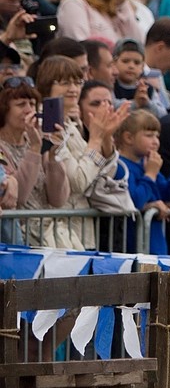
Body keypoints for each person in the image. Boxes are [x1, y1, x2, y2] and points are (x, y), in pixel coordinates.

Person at [36, 62, 129, 250]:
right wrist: (95, 139)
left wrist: (106, 138)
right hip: (56, 235)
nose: (73, 89)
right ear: (47, 85)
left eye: (77, 82)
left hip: (80, 231)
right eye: (64, 82)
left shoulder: (69, 124)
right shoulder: (44, 124)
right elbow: (78, 182)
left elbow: (105, 176)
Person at [115, 109, 170, 254]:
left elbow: (168, 193)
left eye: (157, 136)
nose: (155, 142)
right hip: (132, 248)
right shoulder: (120, 166)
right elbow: (135, 201)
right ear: (128, 138)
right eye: (149, 136)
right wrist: (150, 175)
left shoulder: (147, 164)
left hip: (155, 245)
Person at [0, 77, 68, 245]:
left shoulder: (35, 141)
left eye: (32, 104)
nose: (29, 110)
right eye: (21, 104)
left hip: (47, 235)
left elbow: (58, 199)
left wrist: (53, 155)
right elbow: (18, 197)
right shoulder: (4, 147)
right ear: (4, 110)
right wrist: (35, 149)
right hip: (20, 237)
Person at [112, 38, 169, 118]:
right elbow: (111, 106)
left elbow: (163, 113)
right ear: (114, 63)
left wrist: (147, 103)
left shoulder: (148, 89)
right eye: (125, 61)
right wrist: (135, 104)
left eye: (137, 63)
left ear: (142, 67)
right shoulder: (111, 85)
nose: (131, 66)